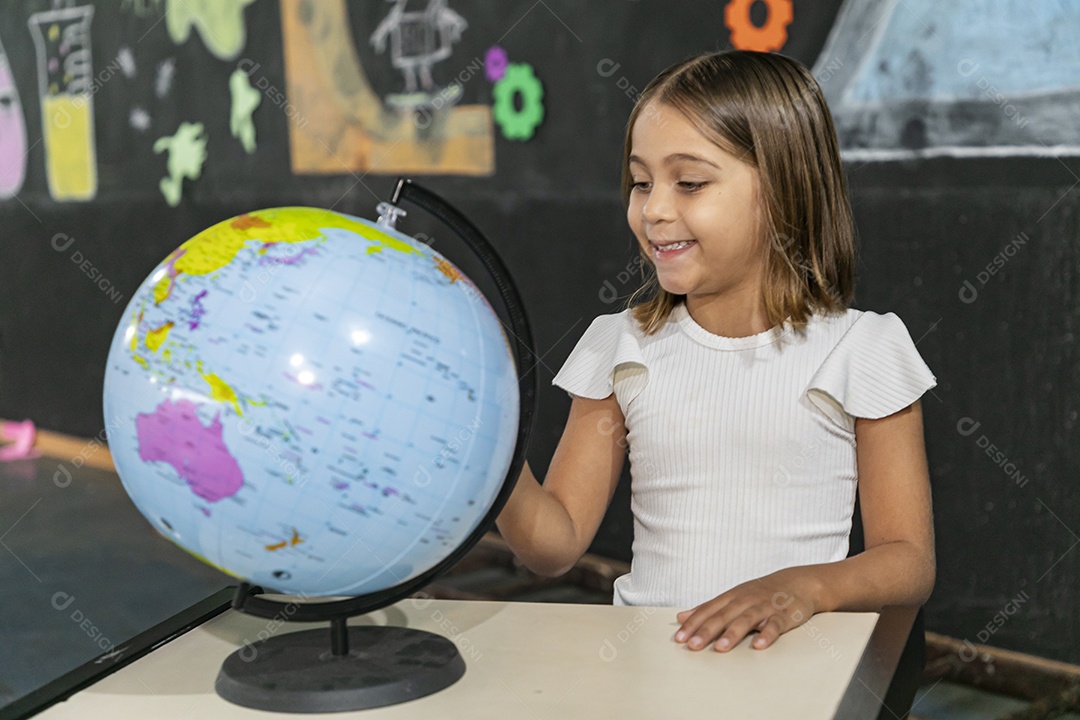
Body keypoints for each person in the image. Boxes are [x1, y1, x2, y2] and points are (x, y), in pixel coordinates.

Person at [495, 50, 936, 718]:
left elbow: (908, 562)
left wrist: (803, 589)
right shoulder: (620, 345)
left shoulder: (862, 347)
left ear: (784, 189)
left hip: (793, 680)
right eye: (641, 184)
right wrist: (484, 443)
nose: (653, 211)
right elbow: (552, 546)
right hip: (651, 679)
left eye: (690, 183)